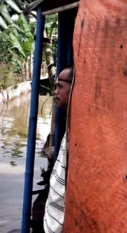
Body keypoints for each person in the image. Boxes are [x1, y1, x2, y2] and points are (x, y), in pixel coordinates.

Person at [40, 67, 74, 233]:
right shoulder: (71, 122)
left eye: (60, 86)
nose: (55, 92)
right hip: (53, 219)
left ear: (74, 86)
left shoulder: (81, 131)